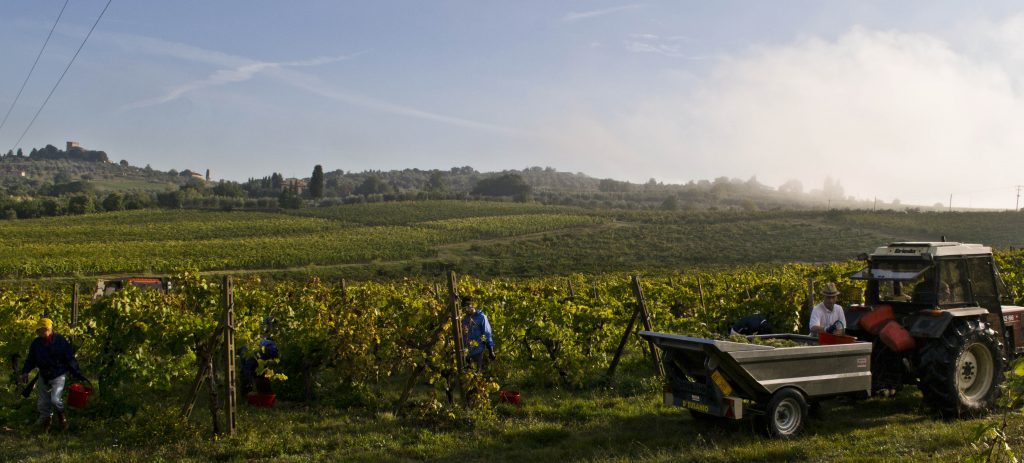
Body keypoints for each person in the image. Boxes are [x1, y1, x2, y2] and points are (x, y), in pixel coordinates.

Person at [19, 318, 88, 432]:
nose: (37, 333)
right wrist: (25, 371)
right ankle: (47, 422)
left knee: (55, 400)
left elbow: (69, 358)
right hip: (43, 375)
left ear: (47, 329)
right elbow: (31, 359)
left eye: (39, 330)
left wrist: (76, 372)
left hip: (58, 375)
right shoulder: (36, 343)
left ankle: (62, 416)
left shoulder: (60, 341)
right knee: (42, 403)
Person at [240, 316, 280, 395]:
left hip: (250, 355)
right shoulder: (269, 343)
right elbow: (275, 354)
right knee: (259, 374)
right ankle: (261, 395)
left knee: (249, 374)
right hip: (255, 355)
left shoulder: (249, 342)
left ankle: (249, 396)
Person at [461, 295, 495, 373]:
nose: (466, 309)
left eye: (468, 306)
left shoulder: (481, 317)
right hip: (467, 354)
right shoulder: (464, 319)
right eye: (464, 308)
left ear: (473, 305)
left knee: (478, 375)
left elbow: (487, 333)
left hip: (479, 352)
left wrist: (491, 350)